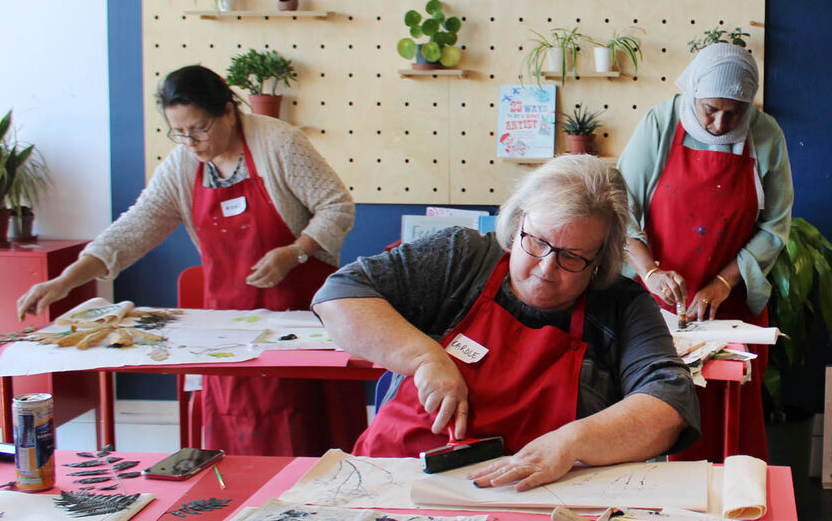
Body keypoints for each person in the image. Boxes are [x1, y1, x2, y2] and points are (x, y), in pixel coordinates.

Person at [16, 64, 366, 456]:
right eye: (179, 132)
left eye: (199, 128)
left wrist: (295, 251)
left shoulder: (278, 143)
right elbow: (135, 228)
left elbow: (336, 207)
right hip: (231, 329)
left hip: (300, 318)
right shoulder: (182, 166)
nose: (191, 141)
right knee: (240, 436)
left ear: (229, 112)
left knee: (309, 431)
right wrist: (66, 280)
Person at [312, 155, 700, 490]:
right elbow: (339, 295)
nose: (547, 269)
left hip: (529, 498)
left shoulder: (622, 306)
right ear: (517, 223)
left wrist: (571, 442)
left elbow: (670, 403)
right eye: (536, 242)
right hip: (394, 478)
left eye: (573, 257)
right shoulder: (458, 257)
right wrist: (424, 358)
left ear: (600, 260)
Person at [617, 43, 794, 462]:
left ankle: (737, 511)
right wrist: (651, 272)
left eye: (734, 112)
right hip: (658, 304)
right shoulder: (661, 123)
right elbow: (619, 207)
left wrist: (720, 283)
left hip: (731, 305)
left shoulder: (766, 135)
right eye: (711, 109)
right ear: (692, 91)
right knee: (658, 412)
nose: (720, 123)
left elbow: (774, 227)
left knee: (732, 424)